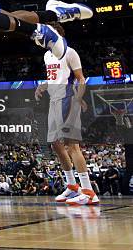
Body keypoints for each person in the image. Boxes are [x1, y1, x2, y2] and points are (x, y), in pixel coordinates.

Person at [35, 23, 98, 205]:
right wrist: (43, 85)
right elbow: (54, 78)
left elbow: (80, 79)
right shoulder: (47, 55)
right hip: (53, 100)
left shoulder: (70, 52)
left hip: (67, 99)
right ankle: (72, 186)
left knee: (72, 146)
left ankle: (89, 191)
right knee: (55, 144)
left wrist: (78, 99)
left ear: (56, 34)